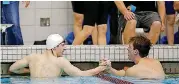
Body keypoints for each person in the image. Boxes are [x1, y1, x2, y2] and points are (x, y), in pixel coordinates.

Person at [9, 34, 107, 77]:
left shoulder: (32, 57)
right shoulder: (60, 61)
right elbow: (81, 74)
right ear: (54, 47)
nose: (64, 48)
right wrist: (101, 68)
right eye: (63, 45)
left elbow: (12, 68)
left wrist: (30, 70)